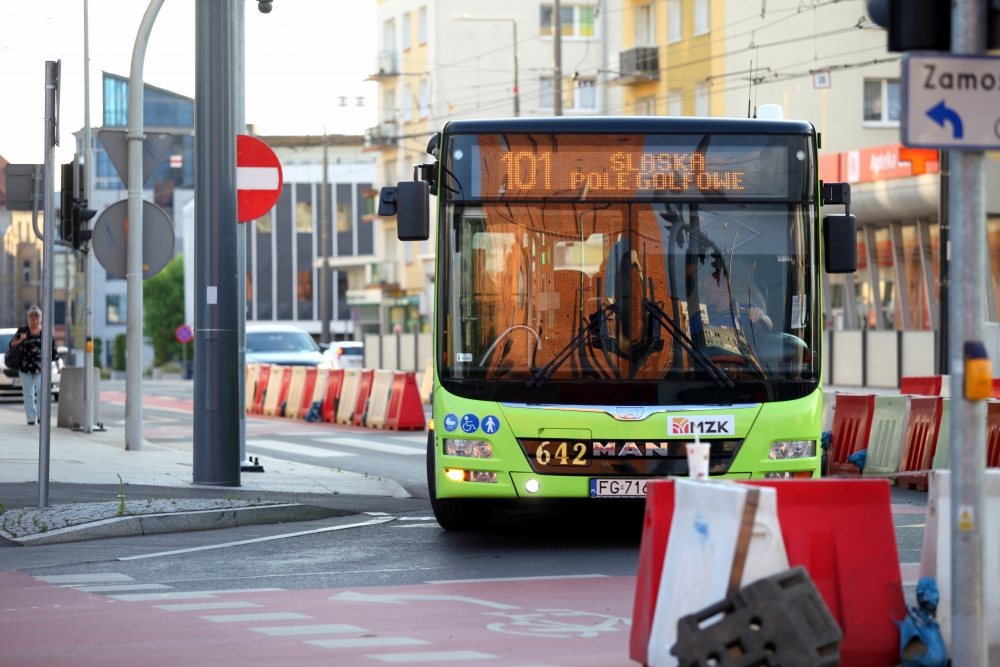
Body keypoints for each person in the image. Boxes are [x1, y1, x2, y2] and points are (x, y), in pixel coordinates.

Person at [8, 306, 60, 425]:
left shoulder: (45, 332)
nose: (35, 321)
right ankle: (30, 417)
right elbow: (11, 345)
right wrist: (21, 339)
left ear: (41, 319)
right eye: (32, 319)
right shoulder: (23, 330)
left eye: (37, 318)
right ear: (28, 319)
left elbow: (53, 349)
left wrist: (58, 366)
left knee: (42, 389)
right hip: (24, 367)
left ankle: (41, 415)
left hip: (41, 367)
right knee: (28, 392)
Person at [699, 268, 772, 332]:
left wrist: (759, 315)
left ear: (727, 287)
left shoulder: (747, 309)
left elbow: (768, 327)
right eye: (704, 287)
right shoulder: (702, 314)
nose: (706, 291)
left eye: (711, 285)